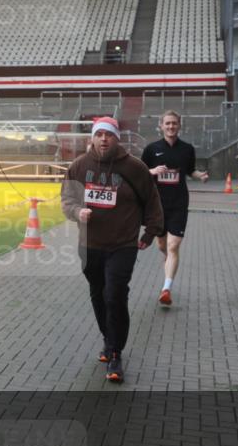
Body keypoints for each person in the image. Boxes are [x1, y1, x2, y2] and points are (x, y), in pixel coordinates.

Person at [62, 116, 164, 383]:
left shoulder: (134, 167)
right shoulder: (78, 166)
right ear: (92, 138)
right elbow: (67, 199)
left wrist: (151, 232)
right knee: (98, 294)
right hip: (89, 245)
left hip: (123, 244)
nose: (104, 139)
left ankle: (116, 352)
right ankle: (109, 340)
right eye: (99, 134)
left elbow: (152, 201)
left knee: (115, 295)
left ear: (117, 138)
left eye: (109, 134)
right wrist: (76, 211)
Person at [141, 110, 209, 307]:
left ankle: (166, 289)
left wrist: (200, 176)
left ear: (179, 126)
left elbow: (190, 170)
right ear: (161, 126)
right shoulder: (152, 149)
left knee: (173, 246)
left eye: (174, 123)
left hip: (179, 203)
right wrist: (152, 171)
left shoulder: (187, 149)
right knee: (163, 246)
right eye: (167, 123)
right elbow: (139, 172)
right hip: (157, 205)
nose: (171, 127)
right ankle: (170, 261)